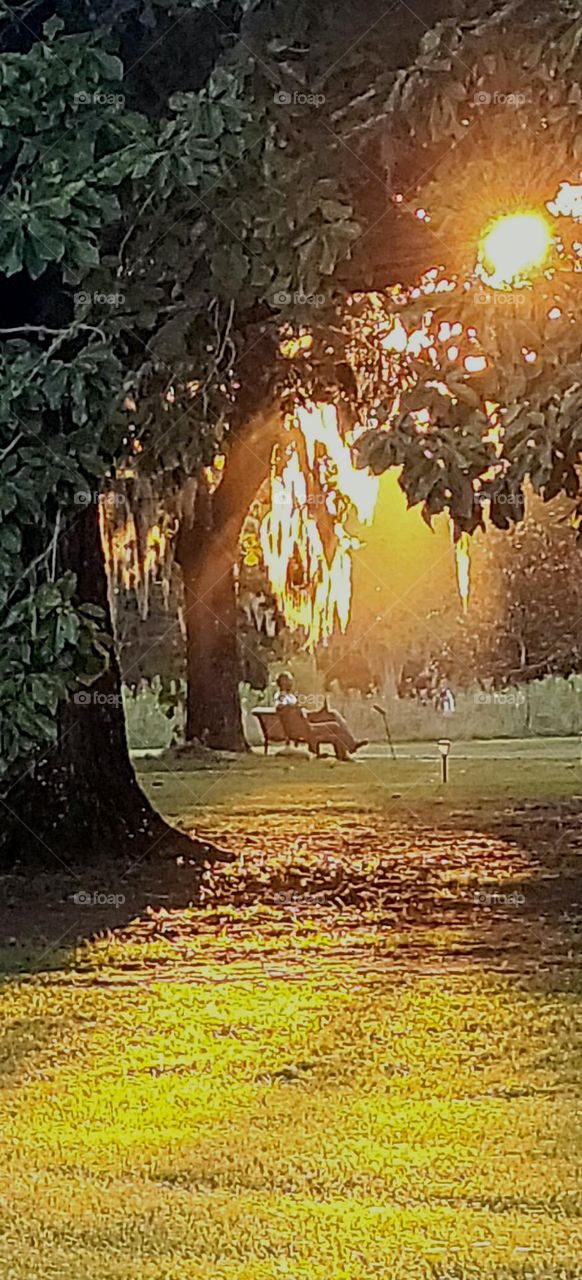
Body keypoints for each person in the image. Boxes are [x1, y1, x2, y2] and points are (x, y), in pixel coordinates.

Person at [274, 672, 367, 760]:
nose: (291, 683)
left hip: (304, 724)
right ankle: (348, 748)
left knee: (333, 715)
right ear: (283, 682)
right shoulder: (282, 697)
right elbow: (284, 707)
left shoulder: (289, 696)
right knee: (334, 726)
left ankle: (350, 745)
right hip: (304, 728)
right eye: (289, 680)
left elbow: (298, 713)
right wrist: (295, 708)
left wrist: (317, 712)